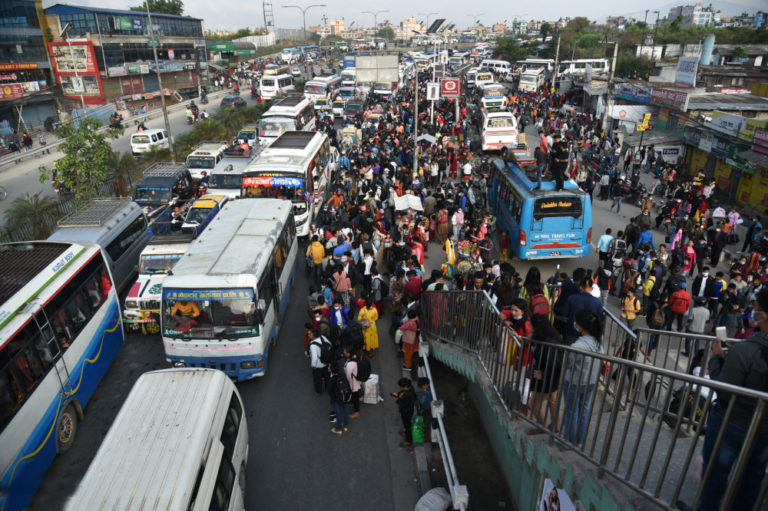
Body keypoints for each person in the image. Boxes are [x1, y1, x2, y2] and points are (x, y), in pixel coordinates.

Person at [696, 286, 768, 511]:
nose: (752, 315)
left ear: (762, 316)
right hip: (763, 427)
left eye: (755, 310)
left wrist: (717, 359)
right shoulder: (747, 351)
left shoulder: (747, 351)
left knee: (715, 475)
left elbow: (724, 389)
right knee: (752, 480)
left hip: (732, 421)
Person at [561, 310, 605, 445]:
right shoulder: (598, 343)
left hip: (575, 382)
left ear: (580, 326)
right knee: (584, 410)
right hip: (591, 382)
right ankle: (579, 441)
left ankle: (569, 441)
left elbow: (569, 363)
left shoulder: (577, 346)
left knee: (571, 412)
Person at [393, 377, 417, 448]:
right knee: (407, 424)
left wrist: (398, 399)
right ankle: (406, 432)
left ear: (405, 387)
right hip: (409, 410)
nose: (401, 388)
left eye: (401, 387)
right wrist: (398, 394)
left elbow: (402, 403)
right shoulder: (410, 388)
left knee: (407, 425)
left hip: (406, 412)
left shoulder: (407, 395)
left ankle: (408, 440)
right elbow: (402, 392)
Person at [308, 328, 330, 394]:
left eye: (310, 334)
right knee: (327, 377)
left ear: (314, 336)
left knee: (317, 379)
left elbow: (314, 358)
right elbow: (329, 345)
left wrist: (313, 365)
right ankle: (327, 388)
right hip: (326, 362)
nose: (309, 335)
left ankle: (318, 391)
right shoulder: (323, 337)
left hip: (318, 365)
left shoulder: (313, 346)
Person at [343, 345, 361, 418]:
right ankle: (353, 401)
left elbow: (348, 376)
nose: (343, 352)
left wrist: (348, 384)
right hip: (357, 380)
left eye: (345, 351)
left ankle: (356, 412)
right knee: (355, 394)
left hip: (353, 384)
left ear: (349, 354)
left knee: (355, 396)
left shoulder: (350, 364)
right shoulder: (355, 357)